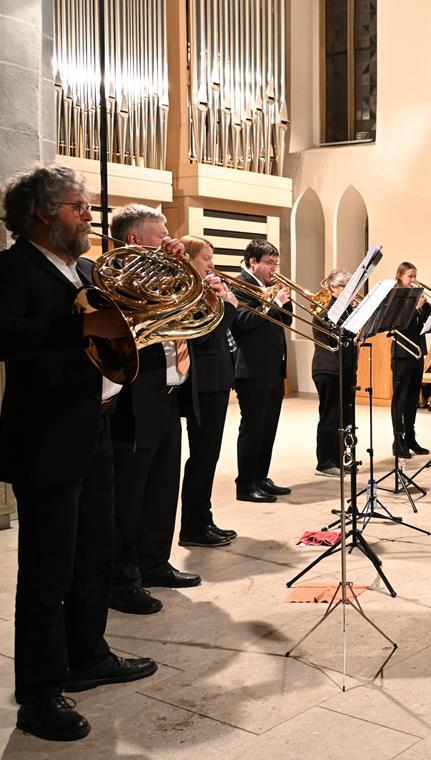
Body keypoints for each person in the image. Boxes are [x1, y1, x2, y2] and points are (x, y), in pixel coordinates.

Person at [0, 163, 157, 741]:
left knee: (95, 549)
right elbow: (6, 338)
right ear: (41, 213)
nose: (90, 215)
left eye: (87, 206)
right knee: (47, 570)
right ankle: (39, 695)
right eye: (77, 207)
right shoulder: (14, 269)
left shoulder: (83, 266)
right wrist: (85, 328)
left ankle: (87, 654)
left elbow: (112, 323)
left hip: (95, 424)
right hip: (46, 436)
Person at [108, 204, 201, 614]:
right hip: (135, 397)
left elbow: (195, 316)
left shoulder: (166, 276)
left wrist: (183, 271)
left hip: (168, 393)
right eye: (160, 235)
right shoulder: (116, 281)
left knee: (164, 485)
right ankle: (123, 579)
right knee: (131, 492)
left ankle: (154, 561)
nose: (170, 241)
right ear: (134, 240)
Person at [178, 235, 239, 547]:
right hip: (204, 384)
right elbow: (203, 338)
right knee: (202, 457)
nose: (212, 265)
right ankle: (193, 526)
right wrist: (227, 306)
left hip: (217, 382)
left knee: (208, 456)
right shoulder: (187, 291)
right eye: (206, 258)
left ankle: (203, 518)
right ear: (189, 259)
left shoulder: (201, 290)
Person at [230, 239, 294, 503]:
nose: (273, 269)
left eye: (276, 263)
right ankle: (245, 484)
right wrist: (273, 303)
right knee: (253, 428)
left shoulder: (268, 286)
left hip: (272, 367)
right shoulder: (239, 285)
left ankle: (260, 477)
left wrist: (283, 301)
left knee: (268, 427)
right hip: (251, 368)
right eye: (269, 263)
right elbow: (243, 323)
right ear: (252, 262)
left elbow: (286, 321)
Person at [312, 269, 358, 476]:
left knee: (344, 416)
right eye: (345, 287)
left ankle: (340, 459)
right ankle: (325, 462)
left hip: (346, 366)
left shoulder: (348, 309)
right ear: (333, 287)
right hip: (328, 368)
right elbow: (331, 335)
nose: (349, 291)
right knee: (330, 416)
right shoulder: (323, 308)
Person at [390, 261, 430, 458]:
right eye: (410, 276)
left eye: (415, 276)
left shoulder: (418, 296)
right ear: (400, 276)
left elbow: (430, 319)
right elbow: (398, 323)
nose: (413, 280)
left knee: (413, 398)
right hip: (402, 353)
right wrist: (415, 309)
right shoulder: (395, 297)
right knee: (401, 398)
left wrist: (422, 307)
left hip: (417, 352)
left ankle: (410, 438)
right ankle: (398, 441)